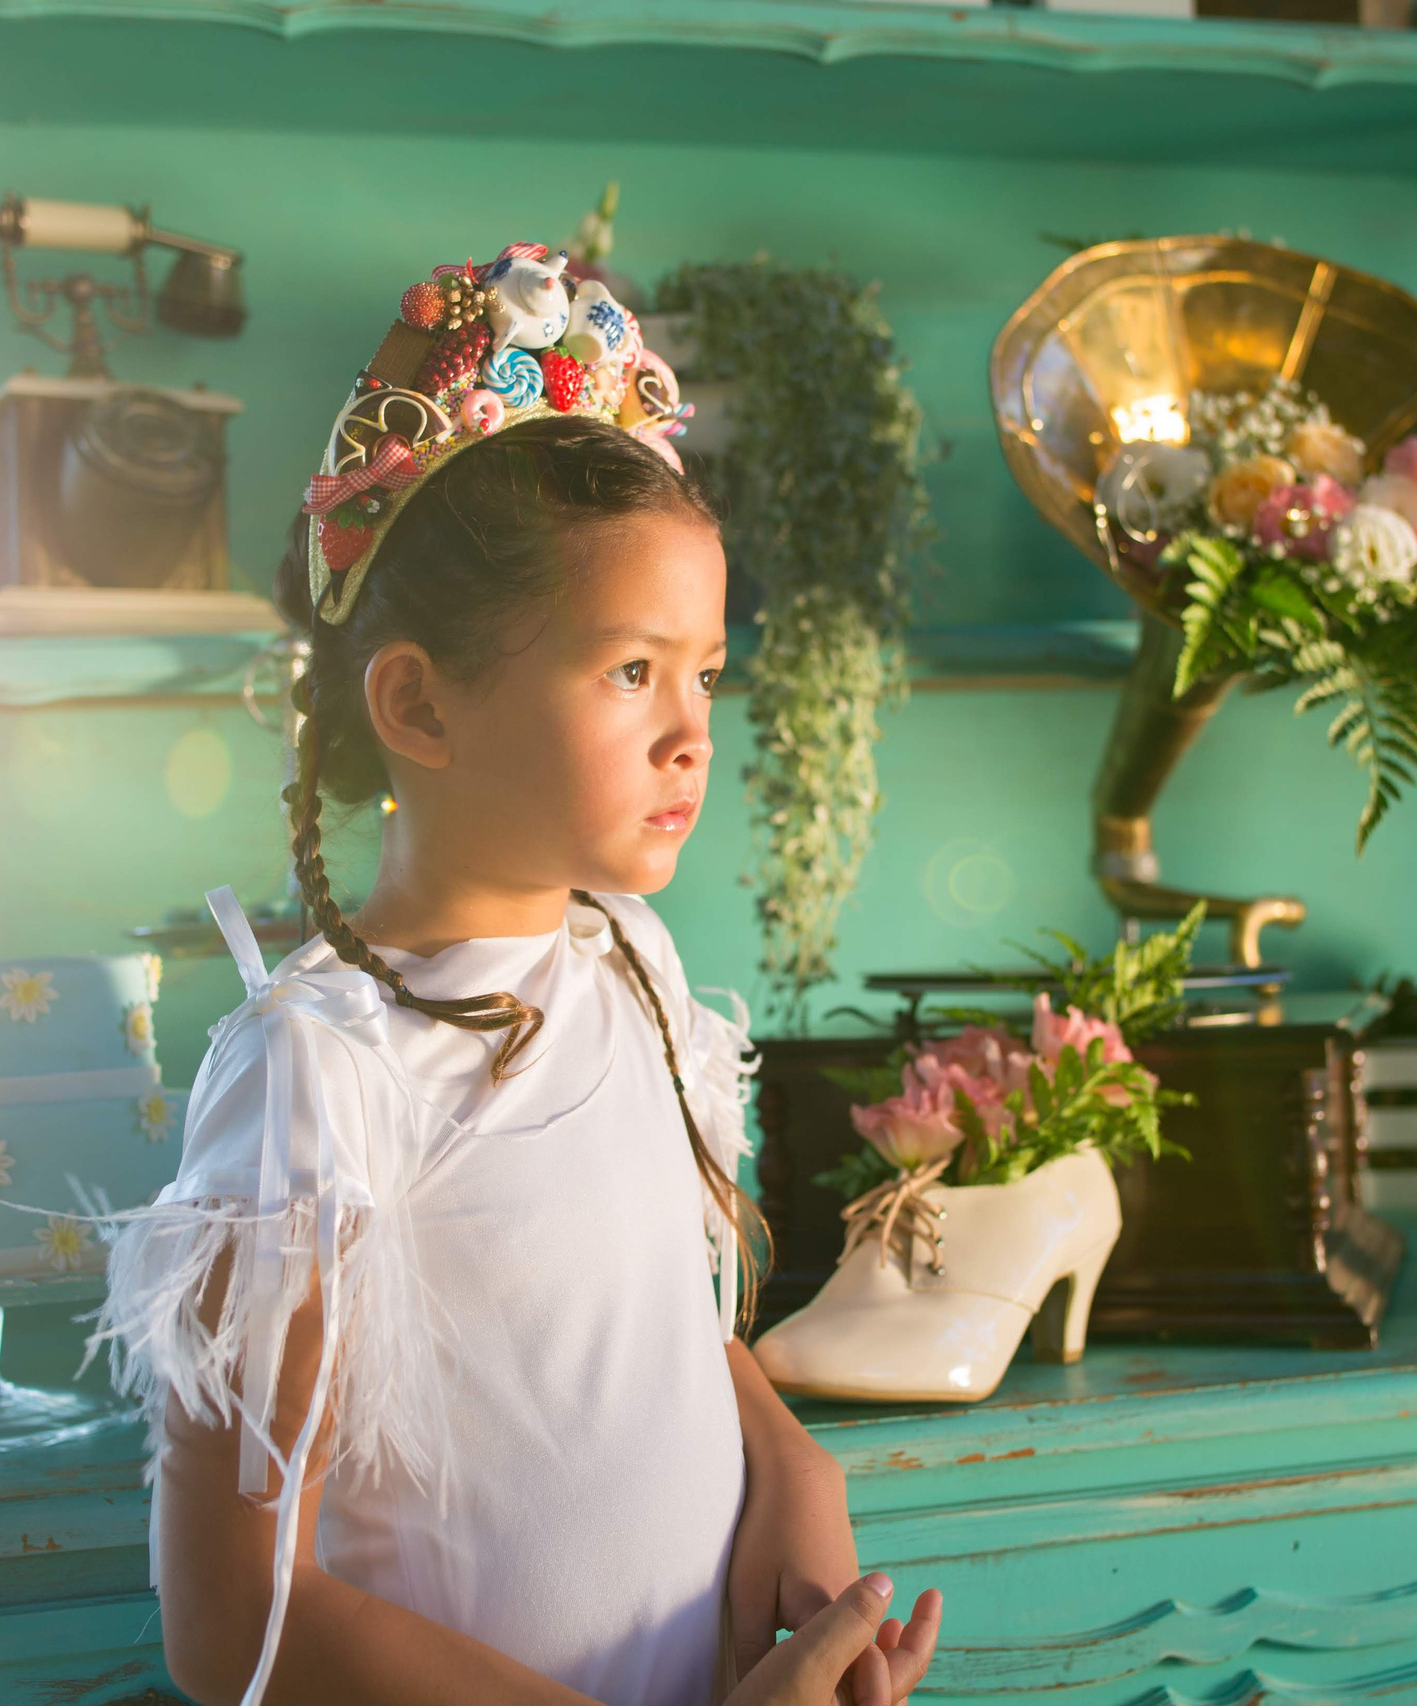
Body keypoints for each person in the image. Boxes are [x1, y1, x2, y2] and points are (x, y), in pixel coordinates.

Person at [91, 243, 946, 1706]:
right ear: (419, 701)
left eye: (706, 673)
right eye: (630, 671)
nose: (693, 734)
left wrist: (793, 1464)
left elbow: (669, 1324)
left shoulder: (630, 964)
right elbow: (234, 1621)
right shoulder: (320, 1077)